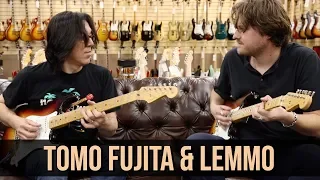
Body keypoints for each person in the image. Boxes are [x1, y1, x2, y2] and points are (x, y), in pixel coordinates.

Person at [185, 0, 320, 179]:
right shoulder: (233, 59)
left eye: (242, 29)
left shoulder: (304, 59)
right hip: (243, 152)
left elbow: (317, 123)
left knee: (312, 159)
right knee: (195, 145)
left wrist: (288, 118)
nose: (235, 35)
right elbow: (217, 94)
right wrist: (216, 109)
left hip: (287, 149)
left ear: (266, 31)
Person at [0, 11, 126, 180]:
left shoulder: (101, 76)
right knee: (54, 161)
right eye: (83, 38)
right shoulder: (31, 76)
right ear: (63, 41)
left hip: (83, 153)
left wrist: (103, 122)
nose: (91, 44)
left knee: (115, 162)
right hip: (39, 151)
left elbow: (111, 128)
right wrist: (17, 122)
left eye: (91, 36)